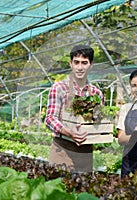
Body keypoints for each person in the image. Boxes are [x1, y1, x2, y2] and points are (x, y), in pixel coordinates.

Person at [45, 44, 104, 173]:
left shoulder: (96, 93)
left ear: (91, 65)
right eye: (76, 62)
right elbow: (50, 119)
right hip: (62, 150)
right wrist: (69, 132)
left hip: (85, 152)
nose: (80, 67)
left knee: (82, 190)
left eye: (84, 63)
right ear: (71, 64)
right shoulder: (59, 88)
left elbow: (99, 122)